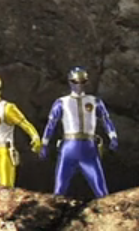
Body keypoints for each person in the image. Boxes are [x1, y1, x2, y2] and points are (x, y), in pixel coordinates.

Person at [41, 67, 119, 199]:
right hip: (69, 148)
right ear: (70, 82)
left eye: (82, 82)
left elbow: (106, 119)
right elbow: (51, 124)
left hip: (89, 148)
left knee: (101, 190)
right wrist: (44, 144)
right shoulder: (62, 102)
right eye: (76, 82)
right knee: (59, 190)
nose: (79, 85)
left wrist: (113, 136)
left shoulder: (94, 101)